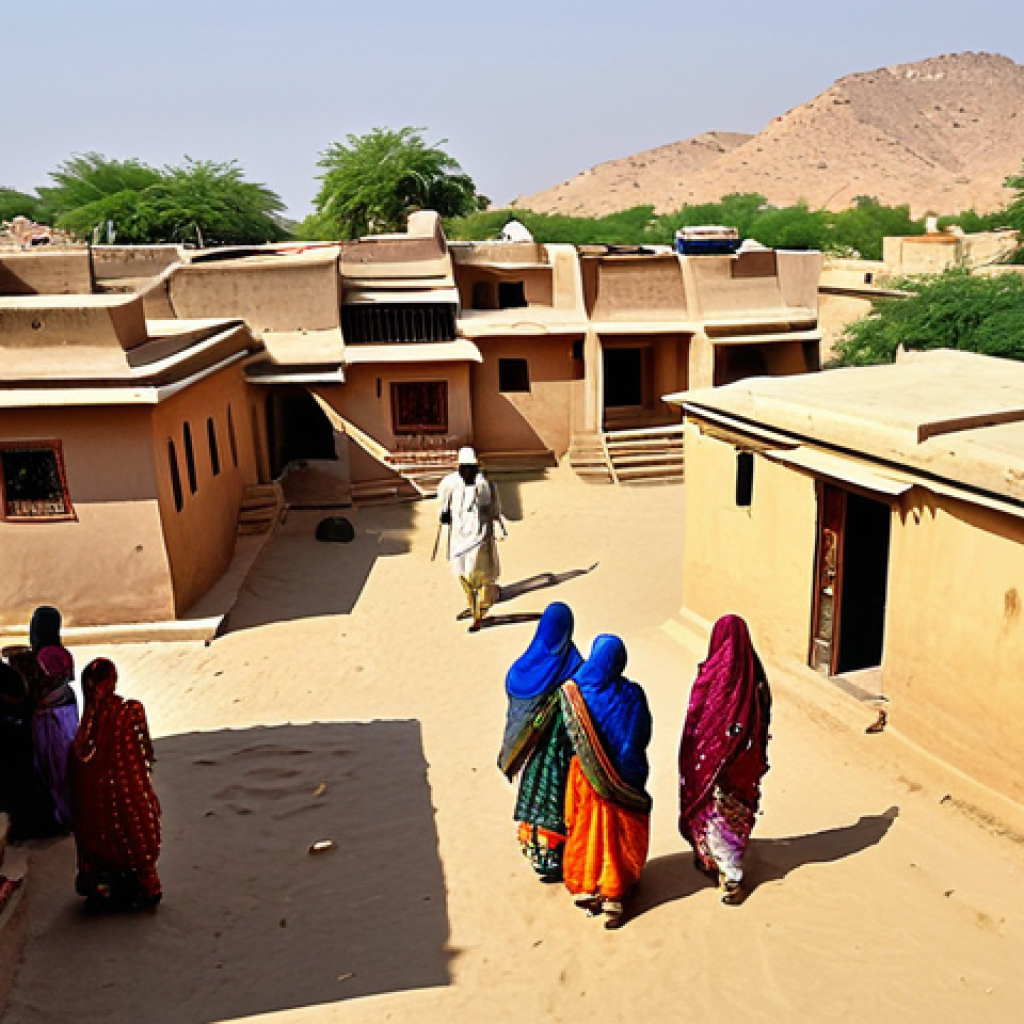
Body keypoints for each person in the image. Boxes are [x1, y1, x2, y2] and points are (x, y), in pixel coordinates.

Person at [678, 614, 772, 905]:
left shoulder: (712, 674)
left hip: (713, 762)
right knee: (733, 814)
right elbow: (763, 715)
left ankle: (731, 876)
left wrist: (708, 753)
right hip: (745, 762)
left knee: (716, 813)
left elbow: (697, 717)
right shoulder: (755, 676)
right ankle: (723, 867)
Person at [559, 635, 652, 928]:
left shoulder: (573, 690)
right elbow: (639, 736)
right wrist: (625, 766)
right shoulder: (632, 694)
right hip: (624, 776)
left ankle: (588, 886)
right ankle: (613, 894)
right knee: (616, 832)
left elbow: (564, 737)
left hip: (585, 777)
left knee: (587, 829)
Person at [498, 602, 584, 882]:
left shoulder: (520, 670)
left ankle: (538, 856)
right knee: (558, 801)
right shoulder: (571, 663)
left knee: (534, 799)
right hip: (559, 752)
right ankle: (554, 859)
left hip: (531, 753)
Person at [69, 658, 162, 909]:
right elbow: (146, 751)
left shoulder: (86, 730)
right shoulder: (132, 710)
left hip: (101, 801)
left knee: (105, 837)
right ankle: (147, 887)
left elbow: (79, 765)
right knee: (136, 836)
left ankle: (107, 889)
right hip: (132, 791)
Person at [437, 447, 504, 630]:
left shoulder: (484, 485)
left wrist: (498, 529)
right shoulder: (449, 484)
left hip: (479, 537)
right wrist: (443, 514)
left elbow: (491, 507)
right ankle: (477, 602)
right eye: (465, 469)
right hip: (459, 538)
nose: (468, 473)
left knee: (474, 575)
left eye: (472, 469)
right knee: (461, 573)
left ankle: (478, 614)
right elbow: (443, 504)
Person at [32, 645, 79, 831]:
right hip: (59, 747)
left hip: (57, 747)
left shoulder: (49, 698)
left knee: (60, 777)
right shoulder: (64, 692)